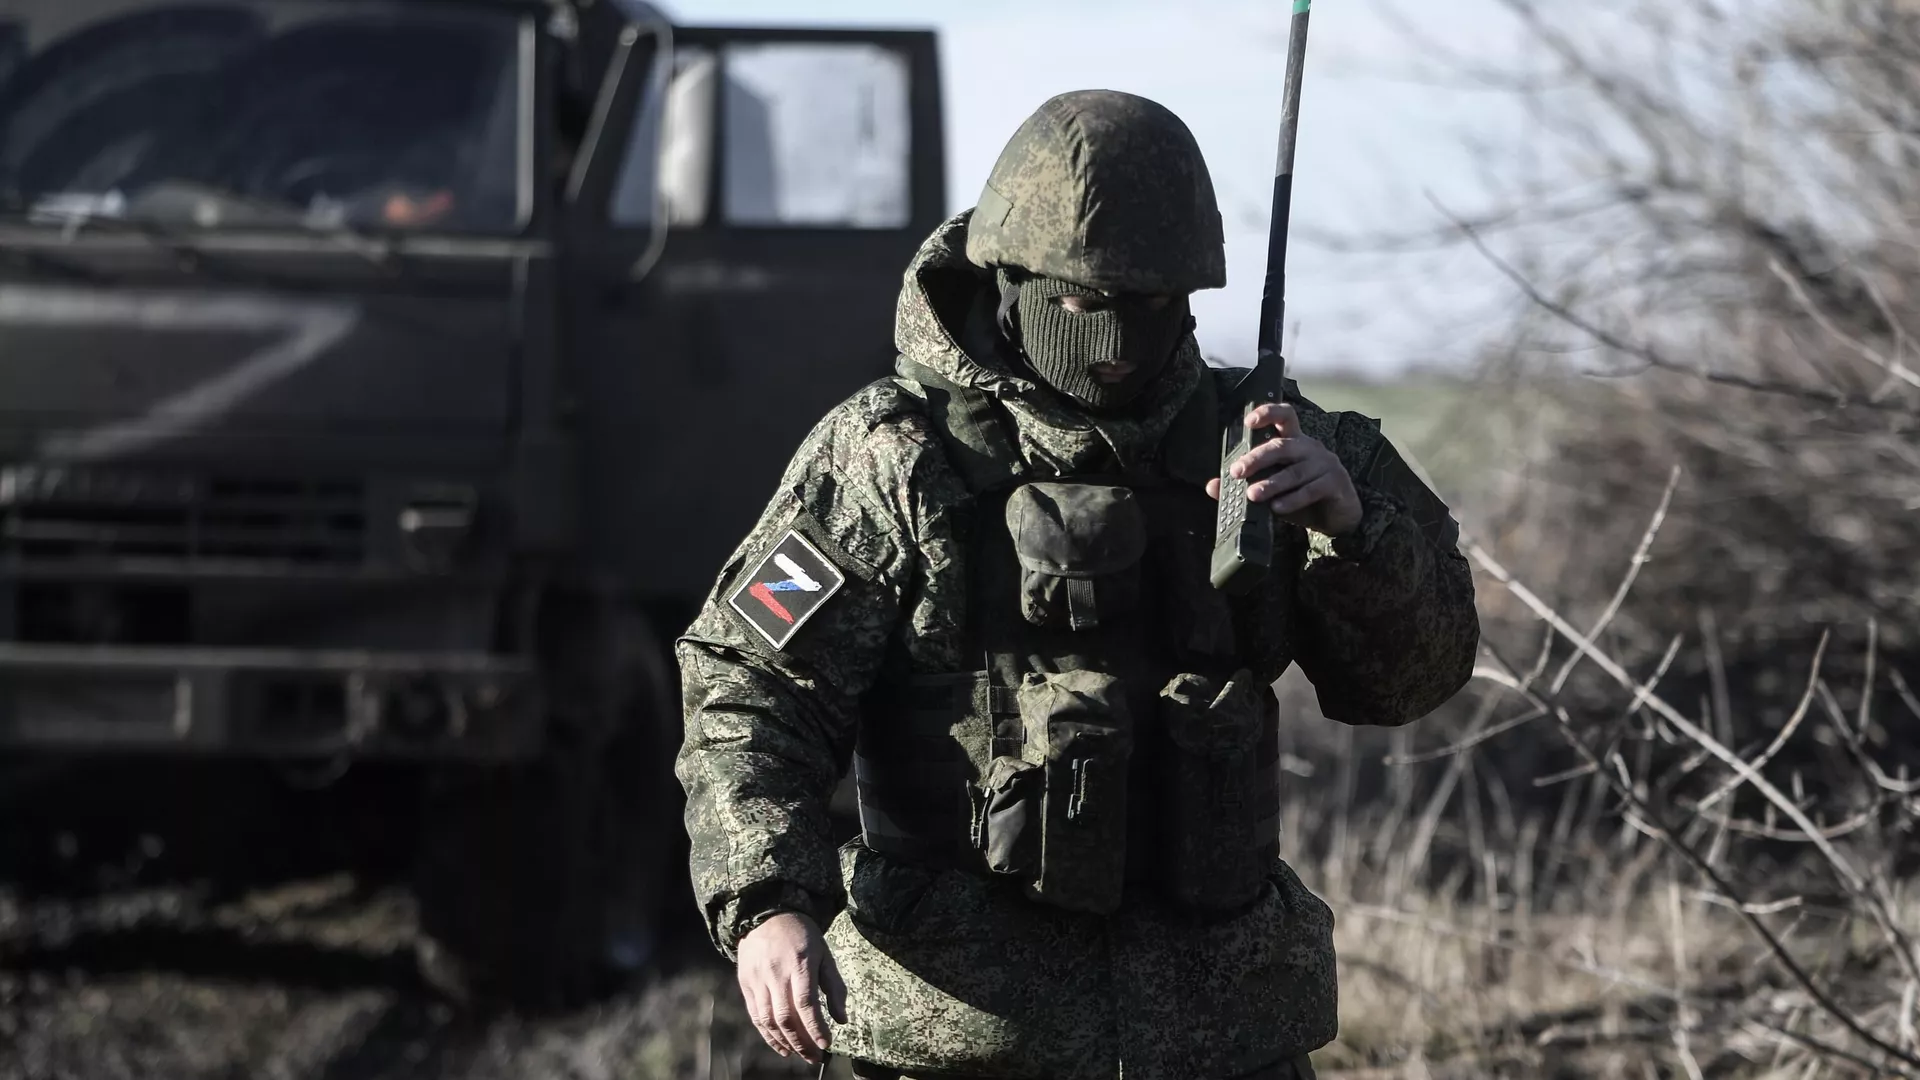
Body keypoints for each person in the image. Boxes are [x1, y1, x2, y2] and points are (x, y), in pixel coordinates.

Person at [675, 90, 1480, 1080]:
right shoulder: (891, 456)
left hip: (1223, 1032)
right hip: (953, 1032)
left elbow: (1416, 680)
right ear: (1011, 281)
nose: (1117, 345)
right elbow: (750, 688)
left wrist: (1353, 536)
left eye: (1150, 307)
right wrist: (765, 901)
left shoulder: (1279, 446)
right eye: (1086, 307)